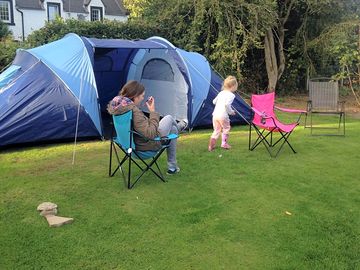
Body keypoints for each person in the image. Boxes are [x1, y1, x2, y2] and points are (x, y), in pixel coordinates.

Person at [107, 80, 187, 174]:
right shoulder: (134, 111)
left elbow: (141, 127)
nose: (142, 98)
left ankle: (172, 167)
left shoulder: (118, 108)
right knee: (169, 118)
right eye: (142, 96)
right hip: (145, 147)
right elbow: (151, 134)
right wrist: (152, 111)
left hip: (128, 145)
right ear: (135, 96)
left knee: (172, 130)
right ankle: (180, 127)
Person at [208, 75, 238, 151]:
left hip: (215, 115)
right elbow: (227, 105)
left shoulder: (221, 93)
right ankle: (224, 144)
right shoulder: (231, 95)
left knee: (216, 130)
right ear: (233, 86)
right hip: (223, 115)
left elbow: (214, 102)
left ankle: (211, 146)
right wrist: (231, 112)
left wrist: (220, 102)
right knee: (226, 128)